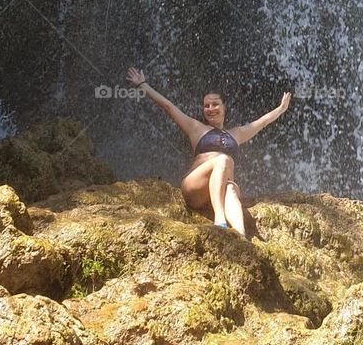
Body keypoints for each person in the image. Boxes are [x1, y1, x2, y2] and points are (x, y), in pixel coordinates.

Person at [125, 66, 291, 236]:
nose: (210, 108)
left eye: (215, 104)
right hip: (195, 187)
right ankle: (220, 220)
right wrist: (142, 85)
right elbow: (168, 106)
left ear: (224, 107)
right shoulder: (196, 128)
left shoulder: (237, 134)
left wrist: (281, 109)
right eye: (206, 106)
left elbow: (262, 122)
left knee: (232, 189)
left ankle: (241, 239)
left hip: (220, 189)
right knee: (224, 160)